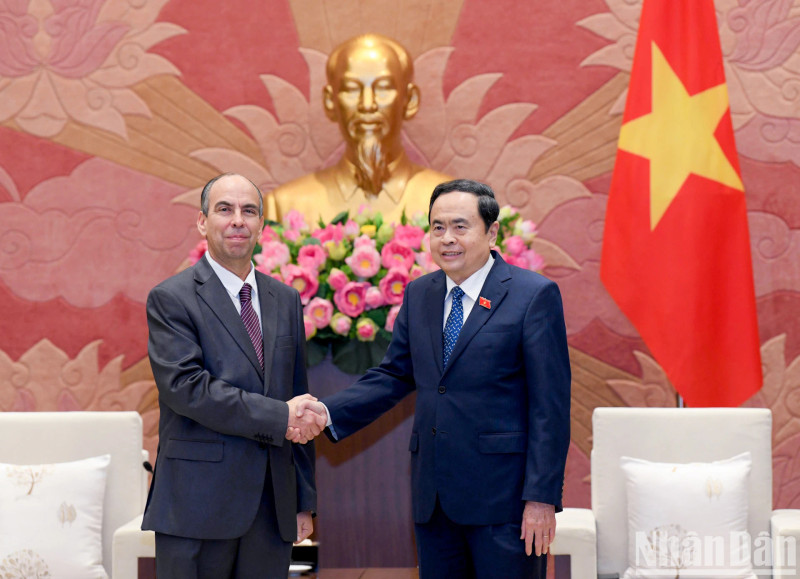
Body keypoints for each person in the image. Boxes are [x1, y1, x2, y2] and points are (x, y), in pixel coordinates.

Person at [295, 179, 571, 578]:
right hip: (434, 499)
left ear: (492, 232)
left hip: (505, 504)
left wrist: (541, 500)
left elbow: (551, 408)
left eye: (460, 226)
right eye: (437, 227)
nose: (447, 239)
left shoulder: (533, 296)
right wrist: (325, 411)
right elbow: (394, 375)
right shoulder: (420, 293)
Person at [142, 173, 326, 578]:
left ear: (262, 225)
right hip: (197, 504)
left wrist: (301, 499)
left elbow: (298, 393)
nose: (237, 220)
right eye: (224, 209)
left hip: (270, 505)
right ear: (202, 222)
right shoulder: (171, 298)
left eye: (249, 211)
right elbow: (187, 389)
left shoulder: (286, 298)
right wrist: (281, 417)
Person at [267, 34, 451, 224]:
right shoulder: (284, 207)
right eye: (351, 89)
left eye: (383, 88)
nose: (367, 104)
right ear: (330, 102)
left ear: (410, 100)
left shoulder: (453, 205)